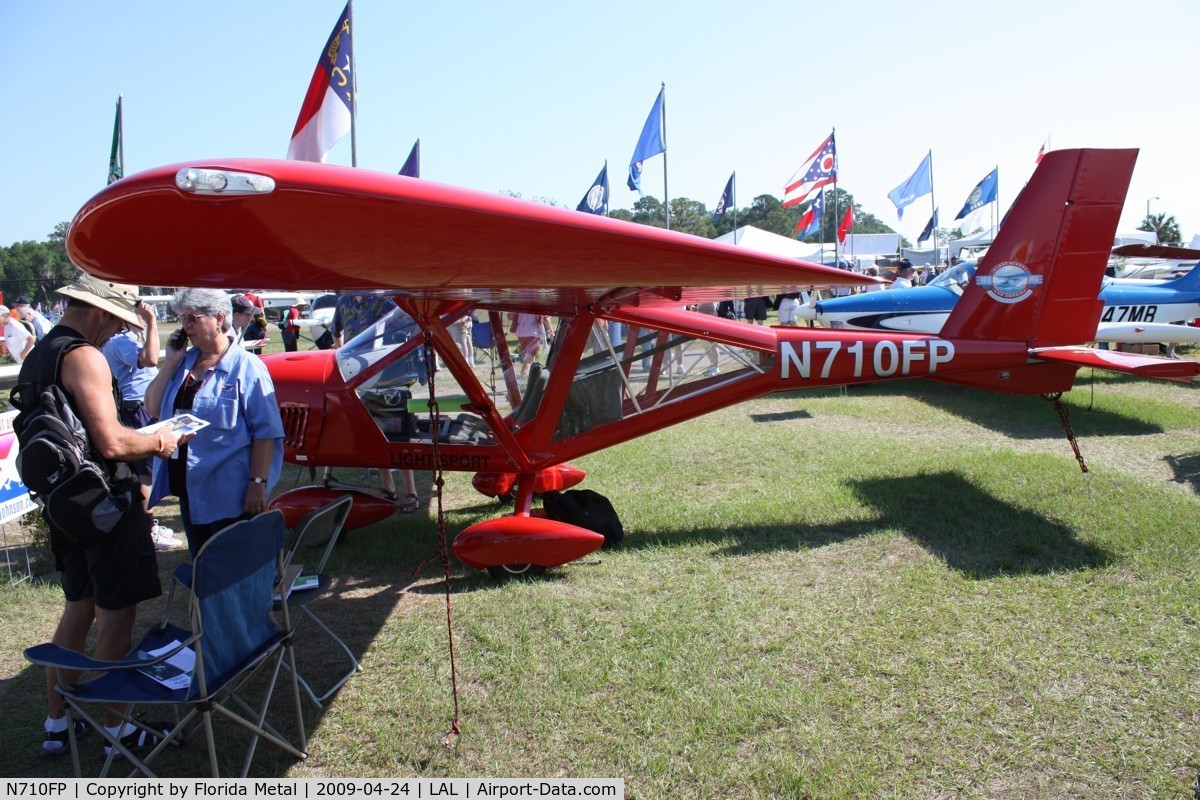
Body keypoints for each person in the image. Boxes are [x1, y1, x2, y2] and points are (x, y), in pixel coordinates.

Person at [21, 275, 182, 756]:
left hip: (66, 504)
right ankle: (117, 730)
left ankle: (57, 723)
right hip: (107, 504)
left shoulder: (40, 353)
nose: (117, 334)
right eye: (117, 322)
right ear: (99, 312)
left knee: (78, 610)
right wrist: (160, 440)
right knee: (115, 620)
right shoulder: (85, 355)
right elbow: (112, 442)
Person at [144, 289, 285, 555]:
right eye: (182, 318)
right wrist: (170, 362)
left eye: (192, 318)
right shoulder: (183, 363)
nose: (186, 326)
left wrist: (257, 483)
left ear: (219, 318)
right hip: (190, 490)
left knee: (231, 570)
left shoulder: (247, 367)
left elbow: (266, 432)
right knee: (203, 564)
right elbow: (153, 407)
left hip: (231, 494)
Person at [332, 292, 421, 513]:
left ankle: (411, 492)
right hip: (357, 379)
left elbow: (414, 325)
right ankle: (387, 488)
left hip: (389, 376)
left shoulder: (385, 301)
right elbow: (336, 333)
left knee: (399, 434)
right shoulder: (343, 301)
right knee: (374, 433)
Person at [101, 304, 181, 550]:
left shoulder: (119, 341)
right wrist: (152, 323)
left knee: (147, 471)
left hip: (137, 408)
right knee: (147, 473)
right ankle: (149, 531)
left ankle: (147, 528)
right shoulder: (120, 342)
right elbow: (149, 359)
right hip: (139, 410)